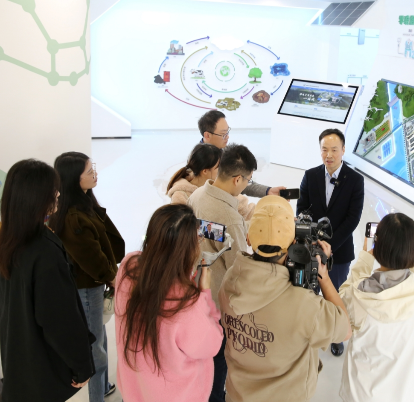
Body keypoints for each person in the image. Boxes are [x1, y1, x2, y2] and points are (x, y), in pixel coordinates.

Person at [218, 195, 352, 402]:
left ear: (248, 238)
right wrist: (324, 277)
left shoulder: (229, 280)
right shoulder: (305, 305)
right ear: (293, 243)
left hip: (237, 395)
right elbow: (345, 331)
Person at [0, 159, 94, 402]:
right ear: (35, 197)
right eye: (52, 190)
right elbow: (60, 321)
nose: (57, 194)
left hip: (19, 364)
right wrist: (82, 365)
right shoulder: (44, 253)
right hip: (47, 372)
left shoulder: (4, 245)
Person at [115, 204, 223, 402]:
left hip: (134, 390)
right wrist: (204, 293)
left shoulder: (128, 267)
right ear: (188, 250)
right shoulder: (187, 304)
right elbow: (212, 344)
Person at [339, 213, 414, 402]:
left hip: (365, 394)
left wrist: (365, 259)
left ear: (377, 246)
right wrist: (410, 245)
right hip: (410, 393)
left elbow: (343, 296)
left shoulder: (358, 297)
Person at [48, 152, 125, 402]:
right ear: (74, 179)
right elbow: (92, 258)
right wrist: (113, 278)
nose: (95, 174)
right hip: (87, 288)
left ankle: (102, 387)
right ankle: (97, 396)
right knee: (95, 349)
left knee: (99, 339)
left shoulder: (83, 203)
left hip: (92, 285)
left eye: (93, 169)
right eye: (89, 172)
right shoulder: (73, 217)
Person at [187, 143, 256, 402]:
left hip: (193, 293)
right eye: (248, 180)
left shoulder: (197, 196)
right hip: (218, 306)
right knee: (217, 366)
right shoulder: (229, 216)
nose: (246, 185)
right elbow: (240, 270)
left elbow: (210, 232)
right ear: (238, 179)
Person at [297, 128, 364, 356]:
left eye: (334, 150)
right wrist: (314, 240)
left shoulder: (355, 180)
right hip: (311, 248)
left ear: (343, 150)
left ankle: (336, 335)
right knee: (308, 291)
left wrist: (330, 245)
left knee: (334, 293)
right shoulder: (311, 175)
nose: (329, 155)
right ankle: (308, 330)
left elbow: (353, 218)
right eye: (324, 149)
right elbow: (302, 209)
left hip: (340, 251)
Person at [197, 110, 285, 198]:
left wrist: (268, 191)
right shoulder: (199, 162)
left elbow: (242, 180)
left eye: (227, 132)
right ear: (207, 135)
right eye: (223, 134)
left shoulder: (224, 152)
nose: (227, 136)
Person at [166, 143, 255, 220]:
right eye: (219, 167)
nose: (223, 170)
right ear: (205, 171)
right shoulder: (180, 196)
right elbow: (182, 228)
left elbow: (244, 210)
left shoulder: (219, 186)